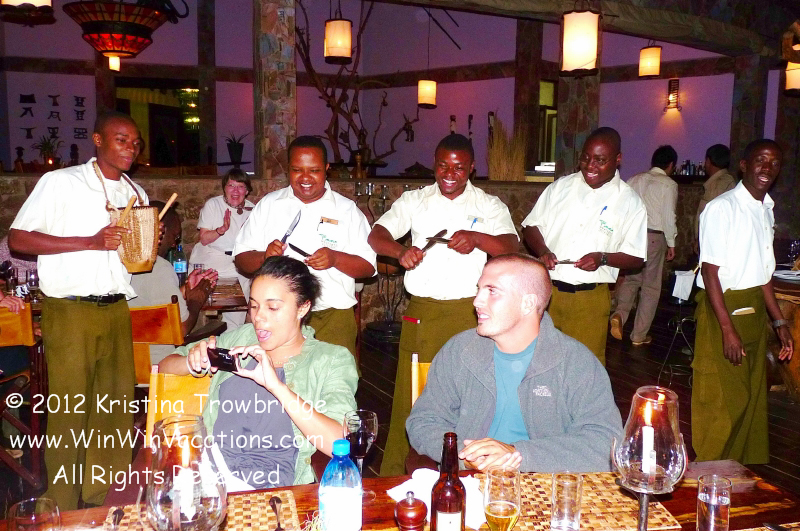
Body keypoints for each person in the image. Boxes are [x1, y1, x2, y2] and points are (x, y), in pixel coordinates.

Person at [8, 111, 148, 509]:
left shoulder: (135, 193)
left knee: (114, 409)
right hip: (70, 310)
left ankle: (103, 498)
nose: (131, 148)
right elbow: (18, 239)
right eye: (121, 139)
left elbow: (131, 256)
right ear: (98, 140)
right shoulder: (61, 182)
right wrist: (89, 242)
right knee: (71, 410)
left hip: (116, 308)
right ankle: (62, 503)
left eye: (135, 143)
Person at [369, 133, 519, 476]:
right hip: (423, 312)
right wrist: (400, 252)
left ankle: (466, 471)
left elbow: (511, 246)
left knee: (472, 394)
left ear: (472, 168)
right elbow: (377, 235)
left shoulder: (488, 205)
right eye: (443, 166)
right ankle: (400, 473)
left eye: (459, 167)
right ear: (434, 165)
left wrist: (477, 238)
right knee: (414, 393)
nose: (450, 174)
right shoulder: (416, 201)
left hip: (472, 314)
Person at [407, 254, 622, 472]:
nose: (477, 301)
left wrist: (517, 455)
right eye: (479, 289)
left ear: (528, 303)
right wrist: (465, 456)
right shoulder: (460, 351)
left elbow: (606, 442)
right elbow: (424, 421)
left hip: (544, 483)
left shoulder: (575, 362)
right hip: (470, 480)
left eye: (492, 291)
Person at [158, 255, 358, 487]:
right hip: (211, 477)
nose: (258, 318)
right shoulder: (240, 339)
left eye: (273, 307)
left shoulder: (330, 360)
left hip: (272, 489)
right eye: (254, 306)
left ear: (303, 308)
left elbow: (339, 442)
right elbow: (165, 365)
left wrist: (277, 387)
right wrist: (192, 361)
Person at [693, 139, 793, 464]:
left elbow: (763, 274)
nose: (767, 168)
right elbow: (710, 272)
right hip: (723, 307)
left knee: (749, 397)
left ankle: (736, 472)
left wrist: (779, 321)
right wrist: (727, 329)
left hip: (753, 308)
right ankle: (709, 472)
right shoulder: (722, 209)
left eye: (774, 163)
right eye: (761, 160)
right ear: (744, 165)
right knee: (722, 398)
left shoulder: (765, 209)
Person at [234, 136, 375, 358]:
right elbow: (241, 259)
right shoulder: (269, 205)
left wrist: (335, 259)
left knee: (334, 376)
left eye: (314, 170)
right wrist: (264, 257)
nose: (306, 178)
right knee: (276, 375)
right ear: (288, 169)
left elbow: (368, 267)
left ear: (327, 169)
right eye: (297, 170)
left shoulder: (346, 210)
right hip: (277, 317)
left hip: (332, 316)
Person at [521, 127, 647, 364]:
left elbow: (636, 257)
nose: (590, 166)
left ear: (618, 159)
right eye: (586, 158)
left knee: (585, 366)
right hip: (548, 293)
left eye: (600, 160)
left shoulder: (630, 201)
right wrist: (543, 251)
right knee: (540, 361)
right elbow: (530, 226)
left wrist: (603, 258)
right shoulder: (561, 187)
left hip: (590, 301)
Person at [129, 201, 218, 365]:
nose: (173, 244)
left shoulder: (119, 262)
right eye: (175, 237)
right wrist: (196, 300)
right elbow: (181, 329)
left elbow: (150, 300)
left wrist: (184, 290)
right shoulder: (159, 267)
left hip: (126, 365)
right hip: (159, 365)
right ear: (160, 230)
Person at [610, 145, 678, 346]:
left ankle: (620, 315)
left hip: (633, 235)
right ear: (671, 165)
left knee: (631, 280)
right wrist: (672, 242)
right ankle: (638, 335)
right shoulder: (669, 184)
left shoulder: (634, 179)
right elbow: (668, 217)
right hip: (654, 237)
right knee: (650, 287)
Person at [189, 169, 255, 328]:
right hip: (211, 262)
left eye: (240, 186)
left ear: (247, 191)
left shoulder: (253, 210)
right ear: (224, 188)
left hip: (237, 265)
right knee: (199, 311)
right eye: (231, 186)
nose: (235, 191)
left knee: (236, 318)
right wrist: (221, 230)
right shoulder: (214, 205)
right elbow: (204, 239)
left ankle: (230, 339)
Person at [694, 144, 736, 254]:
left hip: (713, 242)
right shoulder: (727, 181)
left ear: (708, 161)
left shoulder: (717, 184)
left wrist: (700, 239)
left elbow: (709, 217)